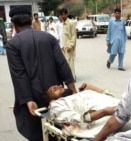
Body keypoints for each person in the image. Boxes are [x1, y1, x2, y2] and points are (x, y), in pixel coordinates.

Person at [5, 6, 77, 141]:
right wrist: (71, 87)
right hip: (54, 94)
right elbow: (62, 64)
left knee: (37, 130)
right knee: (57, 127)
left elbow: (19, 75)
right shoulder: (48, 38)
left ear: (14, 25)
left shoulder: (13, 45)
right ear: (31, 20)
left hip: (33, 95)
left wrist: (28, 100)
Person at [44, 83, 131, 138]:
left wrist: (92, 88)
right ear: (50, 98)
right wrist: (105, 111)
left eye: (59, 85)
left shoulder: (77, 95)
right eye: (55, 89)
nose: (60, 86)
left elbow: (109, 97)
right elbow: (80, 118)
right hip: (117, 116)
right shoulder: (56, 106)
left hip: (122, 107)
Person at [60, 8, 77, 80]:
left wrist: (71, 45)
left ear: (67, 14)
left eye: (65, 14)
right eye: (62, 14)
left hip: (69, 46)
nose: (63, 16)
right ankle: (72, 76)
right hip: (64, 46)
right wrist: (62, 46)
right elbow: (62, 36)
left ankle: (72, 77)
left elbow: (73, 35)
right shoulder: (62, 24)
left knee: (70, 62)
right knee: (67, 62)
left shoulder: (71, 23)